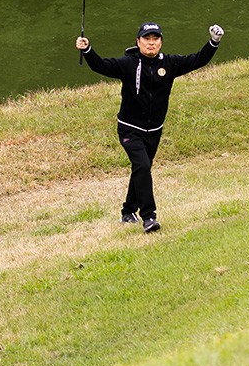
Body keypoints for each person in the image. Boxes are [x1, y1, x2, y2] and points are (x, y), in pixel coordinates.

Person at [76, 21, 224, 233]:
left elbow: (198, 59)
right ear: (138, 42)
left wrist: (214, 42)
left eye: (156, 39)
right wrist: (87, 50)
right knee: (143, 166)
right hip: (129, 128)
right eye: (147, 39)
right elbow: (102, 66)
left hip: (154, 130)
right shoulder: (128, 64)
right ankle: (149, 217)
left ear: (161, 42)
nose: (151, 43)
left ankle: (128, 212)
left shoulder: (170, 63)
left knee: (141, 168)